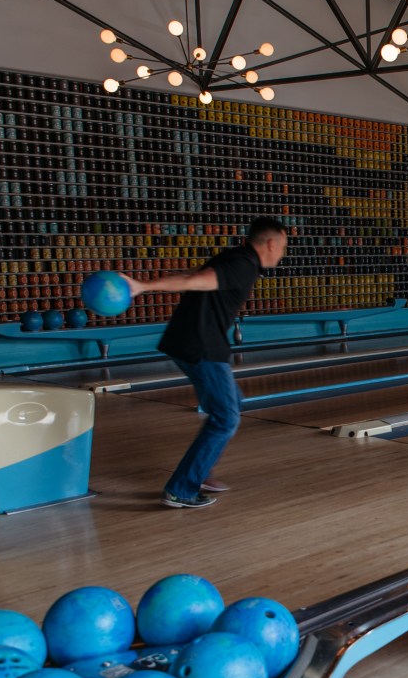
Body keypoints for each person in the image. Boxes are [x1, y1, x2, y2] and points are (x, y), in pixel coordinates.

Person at [121, 216, 288, 509]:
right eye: (284, 246)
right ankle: (181, 490)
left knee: (230, 404)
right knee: (226, 418)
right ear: (271, 243)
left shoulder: (236, 257)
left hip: (193, 341)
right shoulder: (242, 264)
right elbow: (193, 280)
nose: (284, 253)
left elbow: (194, 273)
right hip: (200, 345)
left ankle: (200, 468)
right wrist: (142, 286)